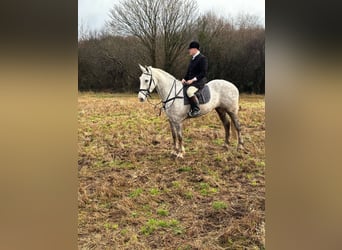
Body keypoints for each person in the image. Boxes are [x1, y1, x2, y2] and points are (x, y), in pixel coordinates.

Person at [182, 41, 208, 117]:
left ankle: (196, 109)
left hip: (199, 82)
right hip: (191, 82)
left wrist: (193, 80)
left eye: (190, 49)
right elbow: (188, 72)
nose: (189, 50)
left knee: (190, 92)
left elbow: (203, 73)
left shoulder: (202, 58)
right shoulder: (193, 59)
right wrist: (184, 78)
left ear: (195, 49)